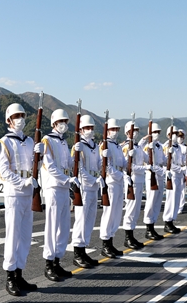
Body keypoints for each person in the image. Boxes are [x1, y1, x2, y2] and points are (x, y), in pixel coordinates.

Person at [0, 103, 39, 295]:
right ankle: (10, 276)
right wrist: (22, 182)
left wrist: (41, 155)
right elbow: (3, 170)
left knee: (25, 237)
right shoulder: (5, 142)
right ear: (8, 120)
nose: (20, 119)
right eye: (16, 116)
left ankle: (20, 273)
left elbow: (35, 164)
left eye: (22, 115)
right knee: (12, 236)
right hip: (15, 192)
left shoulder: (30, 141)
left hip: (28, 192)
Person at [40, 109, 77, 277]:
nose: (64, 124)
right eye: (61, 121)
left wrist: (75, 154)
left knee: (63, 226)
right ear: (54, 123)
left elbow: (68, 163)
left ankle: (57, 260)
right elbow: (50, 166)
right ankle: (49, 263)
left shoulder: (63, 142)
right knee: (53, 225)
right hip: (54, 186)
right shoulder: (47, 140)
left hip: (63, 187)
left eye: (66, 121)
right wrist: (66, 179)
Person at [70, 115, 104, 267]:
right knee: (81, 220)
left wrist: (103, 164)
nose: (90, 130)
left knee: (90, 220)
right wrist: (93, 179)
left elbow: (98, 165)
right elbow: (79, 169)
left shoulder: (95, 146)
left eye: (91, 128)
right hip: (83, 187)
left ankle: (84, 249)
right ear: (81, 129)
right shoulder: (78, 146)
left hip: (93, 186)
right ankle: (77, 252)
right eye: (87, 128)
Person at [97, 119, 125, 258]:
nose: (115, 132)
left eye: (116, 129)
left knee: (116, 213)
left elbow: (122, 163)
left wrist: (126, 166)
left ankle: (111, 241)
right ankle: (105, 244)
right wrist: (119, 175)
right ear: (107, 131)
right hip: (111, 181)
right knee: (109, 213)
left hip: (119, 181)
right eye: (113, 129)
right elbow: (105, 165)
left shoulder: (118, 146)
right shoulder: (105, 144)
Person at [120, 121, 146, 250]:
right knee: (130, 209)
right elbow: (128, 166)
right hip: (132, 181)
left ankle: (132, 234)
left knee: (136, 210)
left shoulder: (138, 146)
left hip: (140, 181)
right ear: (127, 132)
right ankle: (127, 237)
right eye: (133, 130)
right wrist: (145, 168)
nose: (135, 132)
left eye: (137, 130)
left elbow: (145, 158)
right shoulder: (126, 146)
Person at [142, 122, 166, 241]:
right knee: (151, 202)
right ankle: (148, 228)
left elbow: (163, 160)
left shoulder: (160, 146)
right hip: (152, 175)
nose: (157, 134)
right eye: (155, 132)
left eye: (158, 132)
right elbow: (146, 160)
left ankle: (153, 225)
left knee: (157, 202)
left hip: (160, 175)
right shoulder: (148, 146)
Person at [161, 125, 184, 234]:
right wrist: (180, 168)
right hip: (172, 175)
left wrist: (184, 169)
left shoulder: (178, 147)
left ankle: (172, 220)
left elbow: (180, 160)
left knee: (177, 199)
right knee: (171, 199)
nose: (175, 136)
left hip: (179, 174)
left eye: (176, 133)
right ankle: (167, 221)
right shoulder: (166, 146)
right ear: (168, 135)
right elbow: (167, 163)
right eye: (173, 134)